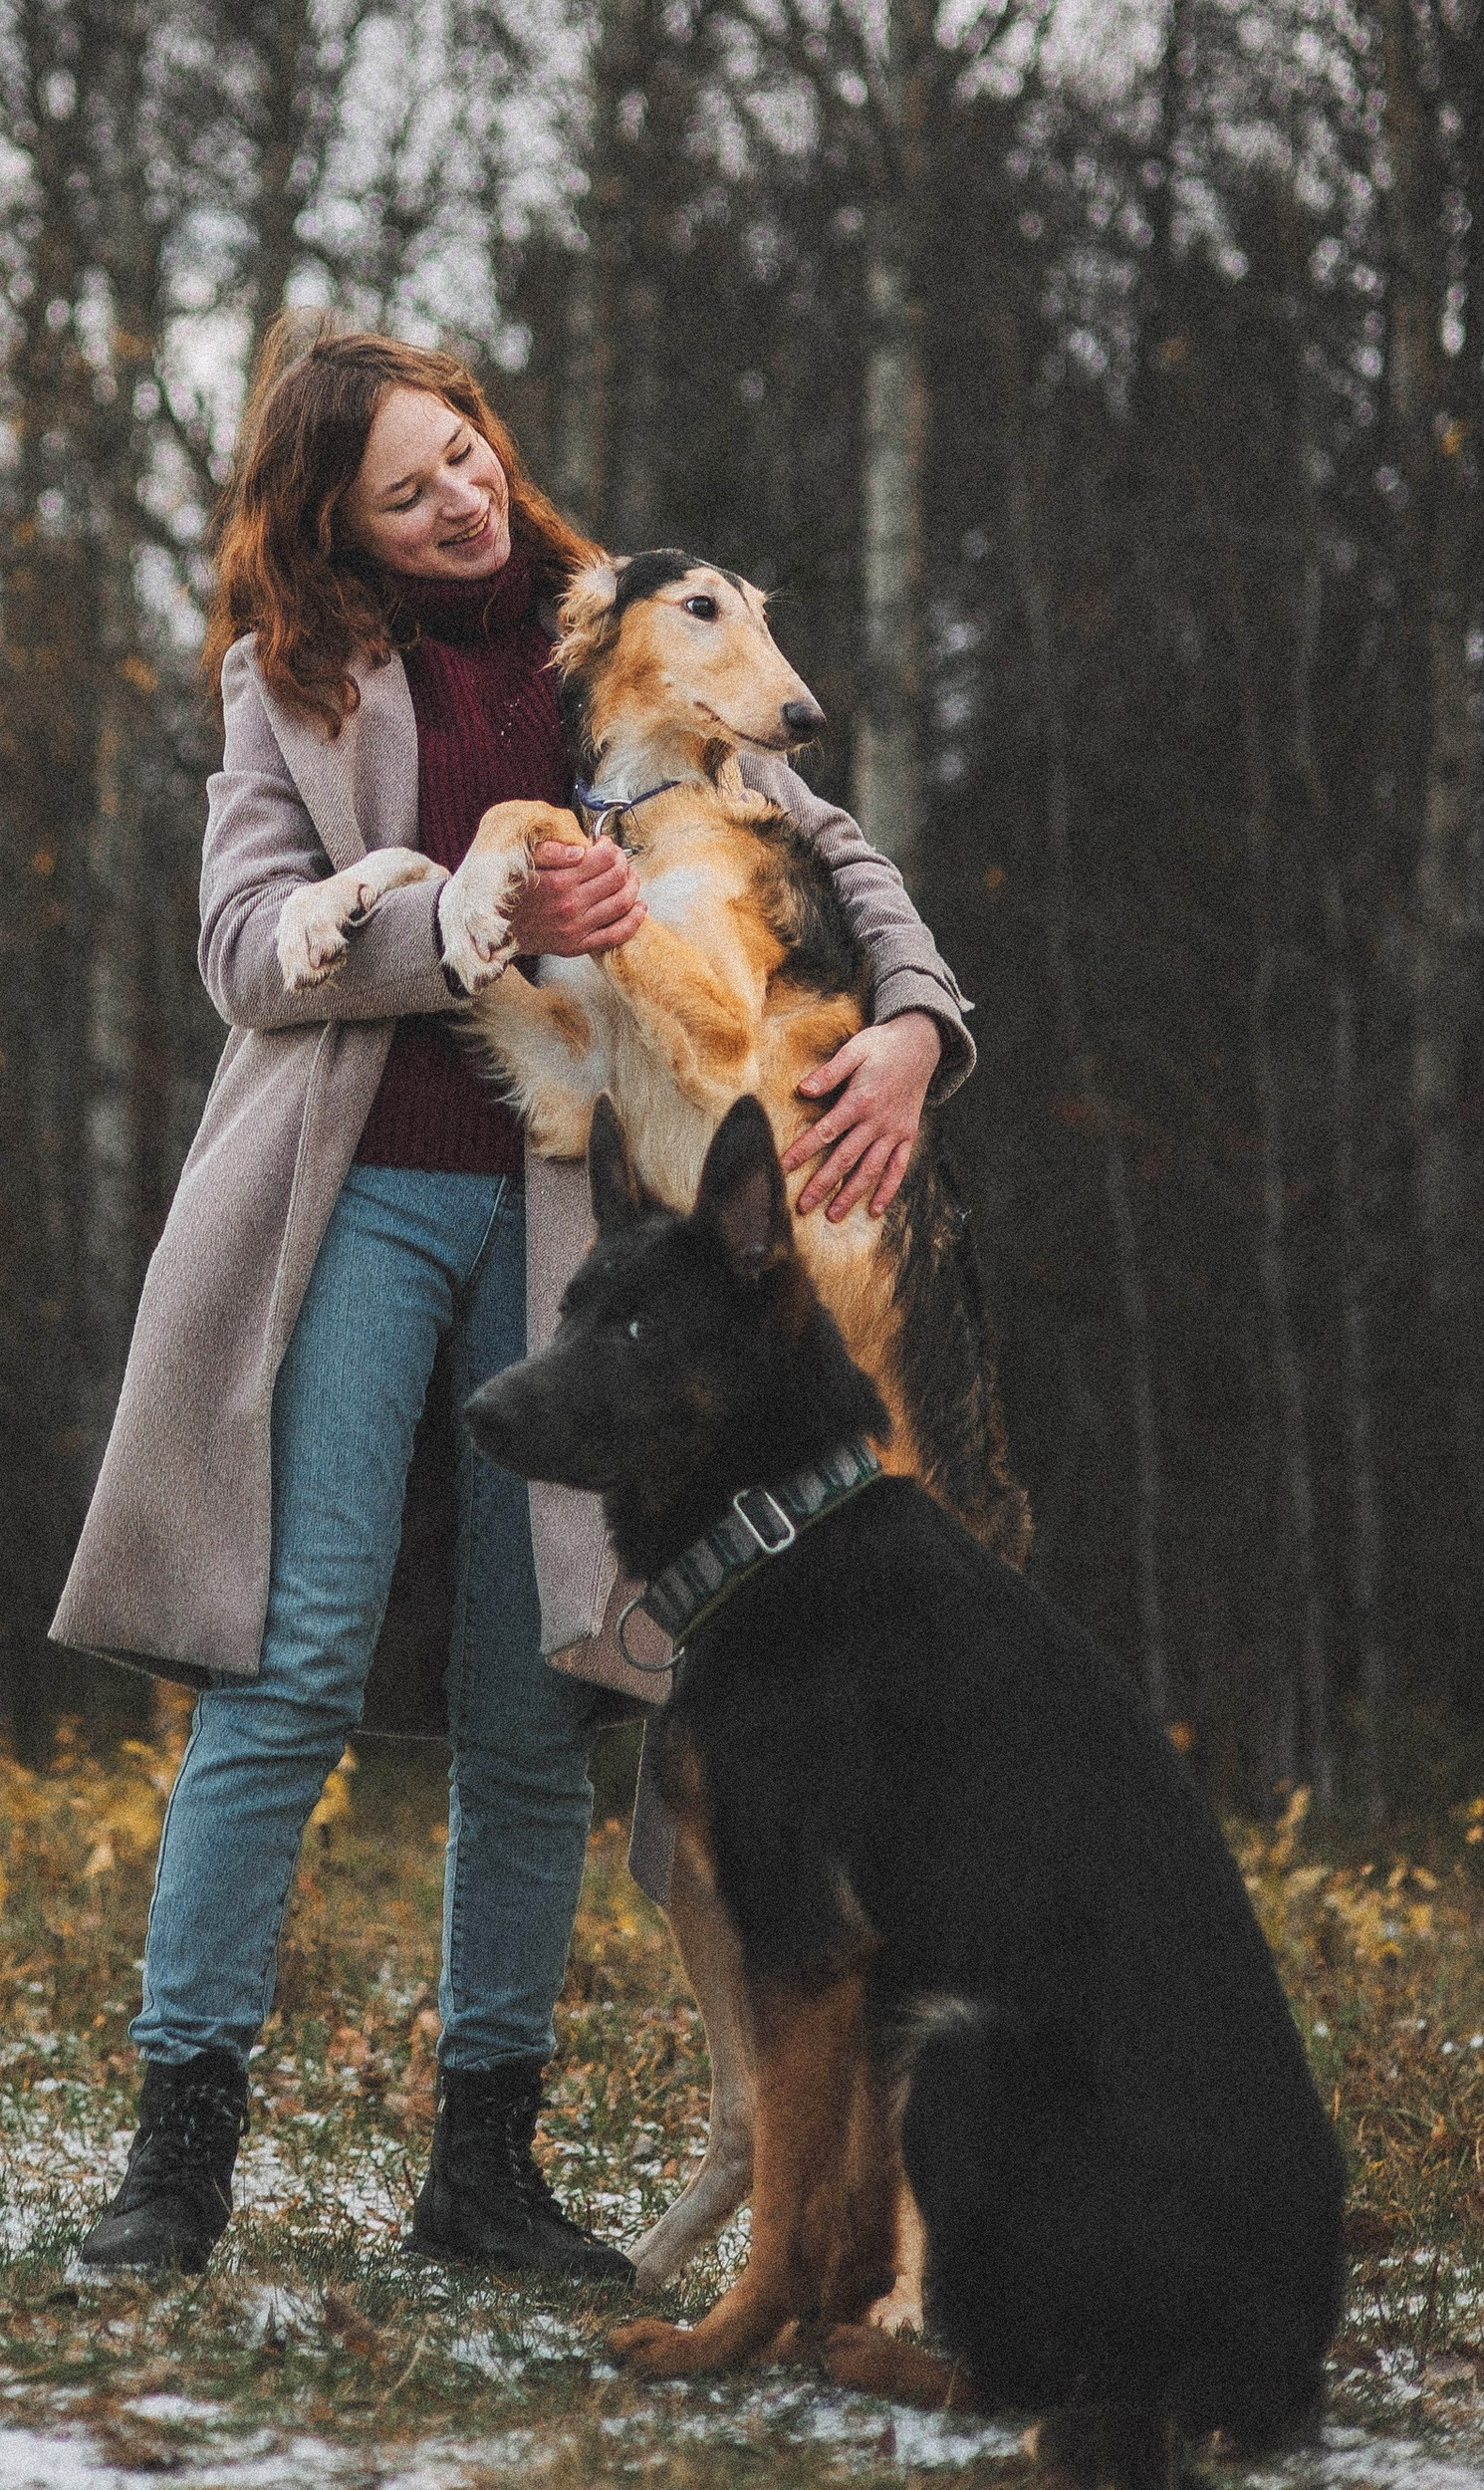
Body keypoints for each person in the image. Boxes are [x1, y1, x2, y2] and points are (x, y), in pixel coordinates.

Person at [51, 317, 974, 2278]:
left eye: (462, 451)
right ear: (335, 529)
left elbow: (826, 838)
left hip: (577, 1234)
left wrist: (907, 1025)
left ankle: (481, 2171)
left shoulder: (605, 627)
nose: (461, 495)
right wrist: (461, 920)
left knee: (536, 1699)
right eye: (407, 489)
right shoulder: (283, 683)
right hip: (358, 1195)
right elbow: (241, 947)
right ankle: (176, 2158)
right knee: (283, 1667)